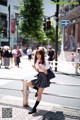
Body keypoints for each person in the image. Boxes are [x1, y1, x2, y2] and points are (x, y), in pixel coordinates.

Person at [26, 49, 50, 114]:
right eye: (37, 54)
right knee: (28, 83)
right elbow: (38, 71)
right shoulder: (37, 61)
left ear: (42, 54)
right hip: (39, 76)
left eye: (39, 54)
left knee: (39, 94)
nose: (38, 56)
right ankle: (37, 89)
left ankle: (34, 108)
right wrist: (34, 68)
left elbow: (47, 72)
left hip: (44, 77)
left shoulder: (45, 61)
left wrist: (42, 68)